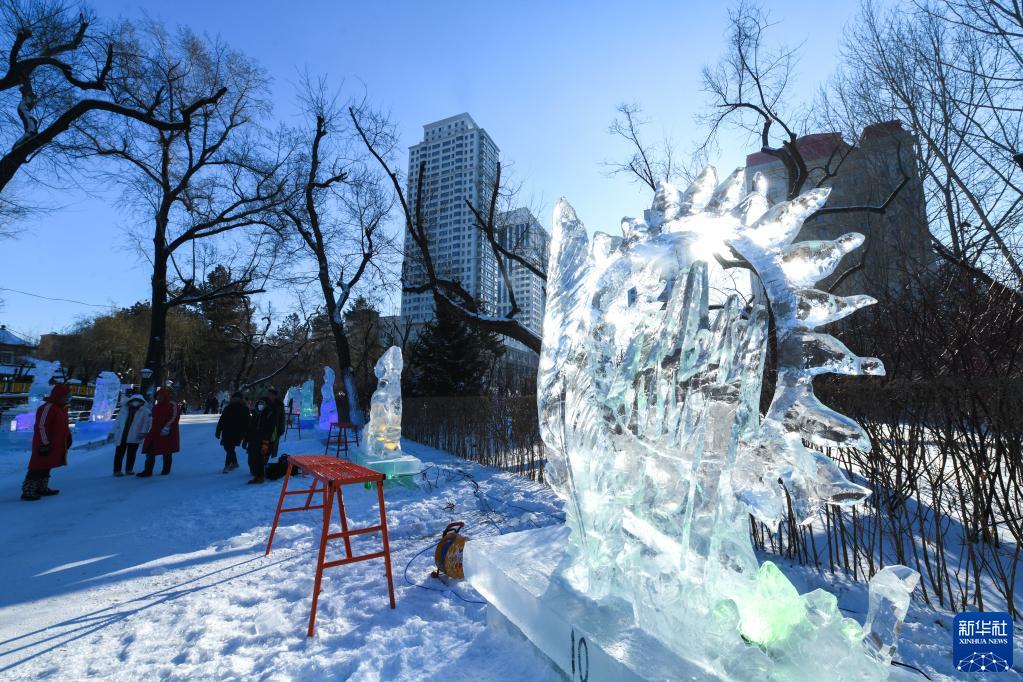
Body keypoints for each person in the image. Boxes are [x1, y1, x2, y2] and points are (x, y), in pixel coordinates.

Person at [22, 383, 72, 501]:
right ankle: (28, 490)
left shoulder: (62, 408)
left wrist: (68, 436)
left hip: (55, 443)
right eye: (66, 395)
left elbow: (64, 425)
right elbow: (41, 426)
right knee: (37, 466)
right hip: (44, 444)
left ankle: (41, 487)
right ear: (59, 395)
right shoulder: (47, 408)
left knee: (47, 464)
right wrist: (45, 442)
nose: (68, 398)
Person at [138, 387, 181, 478]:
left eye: (161, 396)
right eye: (157, 396)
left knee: (167, 451)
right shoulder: (156, 407)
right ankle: (148, 470)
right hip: (155, 432)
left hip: (168, 433)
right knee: (150, 451)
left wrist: (167, 427)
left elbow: (175, 417)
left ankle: (166, 470)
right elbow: (151, 420)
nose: (159, 398)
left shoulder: (172, 405)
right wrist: (145, 430)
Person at [112, 393, 151, 476]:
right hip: (122, 435)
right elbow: (118, 421)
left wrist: (144, 432)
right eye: (134, 400)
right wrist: (112, 431)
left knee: (132, 454)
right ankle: (117, 470)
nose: (135, 402)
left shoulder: (145, 411)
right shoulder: (124, 409)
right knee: (119, 454)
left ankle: (129, 469)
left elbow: (147, 423)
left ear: (141, 401)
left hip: (135, 435)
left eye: (138, 400)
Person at [243, 396, 275, 484]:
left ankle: (260, 476)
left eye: (263, 403)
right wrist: (246, 439)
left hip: (263, 439)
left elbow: (270, 429)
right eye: (260, 403)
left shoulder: (269, 413)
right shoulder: (255, 412)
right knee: (252, 457)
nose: (261, 405)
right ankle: (256, 473)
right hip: (253, 438)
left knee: (259, 458)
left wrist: (266, 442)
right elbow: (250, 427)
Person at [215, 392, 248, 473]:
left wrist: (245, 434)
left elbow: (247, 422)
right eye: (233, 397)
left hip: (238, 432)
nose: (235, 399)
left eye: (237, 397)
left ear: (240, 399)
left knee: (230, 448)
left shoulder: (244, 408)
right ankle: (235, 463)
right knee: (227, 447)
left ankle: (227, 465)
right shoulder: (228, 408)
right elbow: (222, 420)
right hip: (226, 431)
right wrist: (218, 431)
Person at [265, 387, 287, 457]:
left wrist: (281, 429)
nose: (270, 396)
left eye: (272, 394)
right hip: (263, 429)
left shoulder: (279, 405)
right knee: (263, 449)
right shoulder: (263, 403)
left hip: (274, 430)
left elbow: (282, 418)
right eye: (269, 394)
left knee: (272, 447)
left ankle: (268, 459)